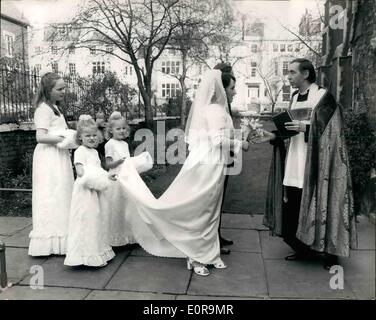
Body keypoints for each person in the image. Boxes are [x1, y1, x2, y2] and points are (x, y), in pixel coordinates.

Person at [117, 69, 249, 276]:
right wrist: (242, 143)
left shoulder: (216, 109)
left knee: (209, 211)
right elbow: (217, 141)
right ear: (221, 89)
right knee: (202, 210)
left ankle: (208, 254)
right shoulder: (214, 110)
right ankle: (197, 257)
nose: (235, 92)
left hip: (213, 162)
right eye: (232, 88)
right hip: (208, 165)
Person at [258, 58, 357, 269]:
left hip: (318, 163)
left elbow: (334, 130)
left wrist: (307, 129)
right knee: (294, 205)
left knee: (320, 202)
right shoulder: (294, 97)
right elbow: (289, 130)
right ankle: (302, 248)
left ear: (305, 74)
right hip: (295, 159)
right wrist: (273, 136)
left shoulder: (322, 96)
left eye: (292, 72)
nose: (289, 76)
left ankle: (329, 254)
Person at [29, 72, 74, 256]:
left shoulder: (55, 108)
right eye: (60, 89)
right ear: (49, 90)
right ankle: (49, 241)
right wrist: (64, 137)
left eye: (64, 88)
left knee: (62, 194)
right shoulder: (43, 109)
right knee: (50, 195)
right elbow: (40, 137)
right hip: (48, 158)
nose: (64, 91)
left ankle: (63, 237)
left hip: (58, 155)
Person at [64, 115, 116, 267]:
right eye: (88, 136)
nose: (92, 138)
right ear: (80, 137)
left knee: (97, 218)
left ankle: (99, 249)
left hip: (96, 188)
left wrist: (107, 176)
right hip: (85, 190)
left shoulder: (94, 152)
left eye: (94, 135)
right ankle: (86, 254)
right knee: (86, 219)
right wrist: (89, 175)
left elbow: (99, 169)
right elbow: (80, 170)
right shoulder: (80, 150)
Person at [213, 63, 235, 254]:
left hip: (226, 155)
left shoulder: (223, 102)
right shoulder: (215, 107)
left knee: (220, 199)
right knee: (214, 200)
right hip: (216, 156)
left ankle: (217, 234)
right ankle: (213, 238)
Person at [104, 111, 135, 247]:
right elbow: (108, 164)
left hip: (127, 176)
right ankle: (115, 237)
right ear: (111, 130)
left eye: (124, 128)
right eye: (118, 129)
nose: (121, 131)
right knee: (116, 206)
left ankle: (128, 236)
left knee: (128, 206)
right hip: (116, 176)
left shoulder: (125, 144)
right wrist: (119, 162)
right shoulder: (110, 144)